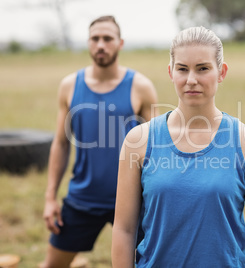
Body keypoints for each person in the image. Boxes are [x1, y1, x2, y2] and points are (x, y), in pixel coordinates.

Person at [112, 26, 245, 267]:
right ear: (171, 72)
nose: (191, 80)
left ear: (221, 72)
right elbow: (124, 231)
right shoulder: (138, 141)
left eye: (203, 68)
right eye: (182, 69)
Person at [40, 15, 158, 268]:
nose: (101, 45)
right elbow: (60, 144)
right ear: (88, 43)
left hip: (133, 201)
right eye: (95, 39)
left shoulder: (141, 87)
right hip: (83, 199)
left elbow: (157, 149)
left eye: (107, 38)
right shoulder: (70, 85)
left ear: (120, 43)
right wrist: (50, 198)